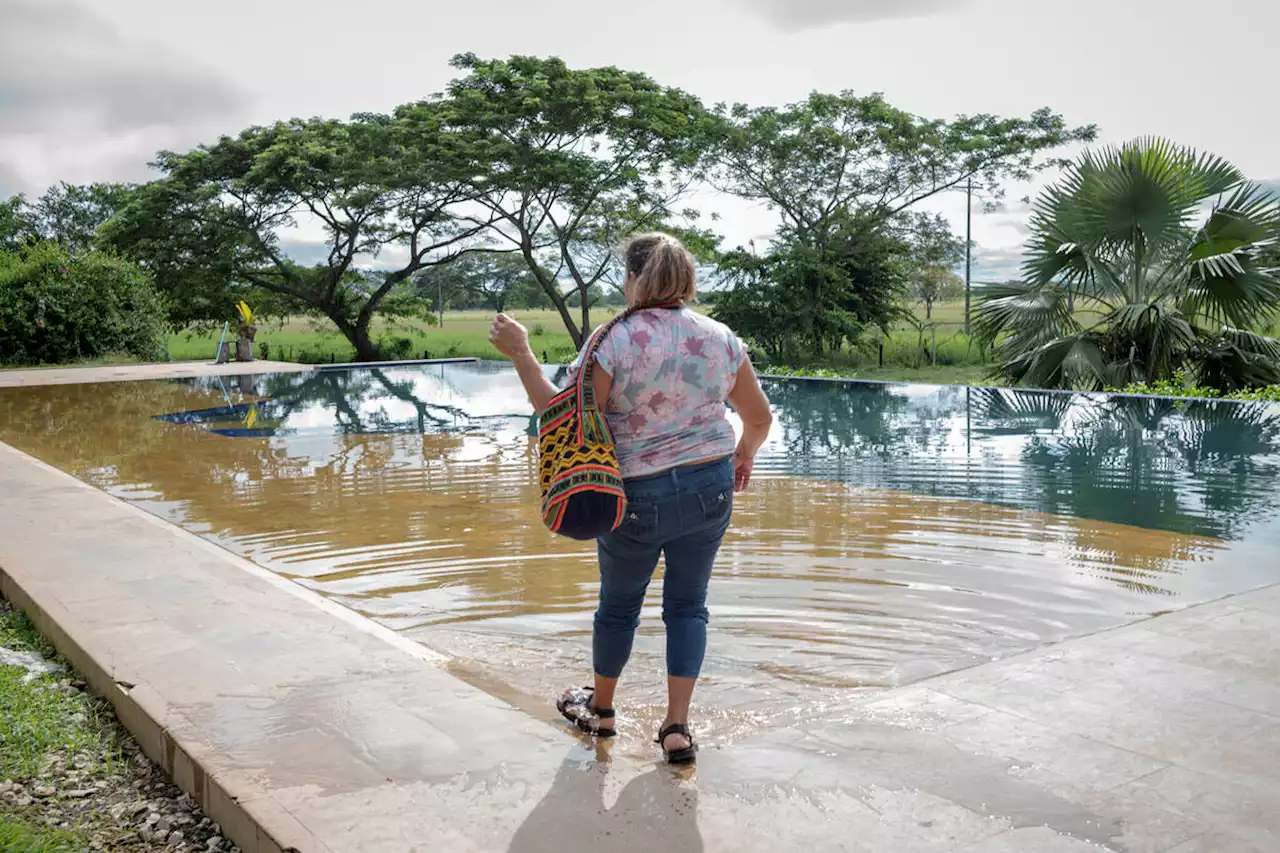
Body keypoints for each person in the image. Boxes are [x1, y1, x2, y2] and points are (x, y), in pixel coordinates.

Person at [489, 233, 773, 764]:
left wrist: (521, 352)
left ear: (634, 280)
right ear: (686, 279)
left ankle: (601, 710)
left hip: (636, 496)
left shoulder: (615, 340)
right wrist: (743, 456)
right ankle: (677, 729)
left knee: (619, 606)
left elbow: (562, 413)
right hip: (710, 487)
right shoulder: (720, 338)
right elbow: (758, 418)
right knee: (688, 606)